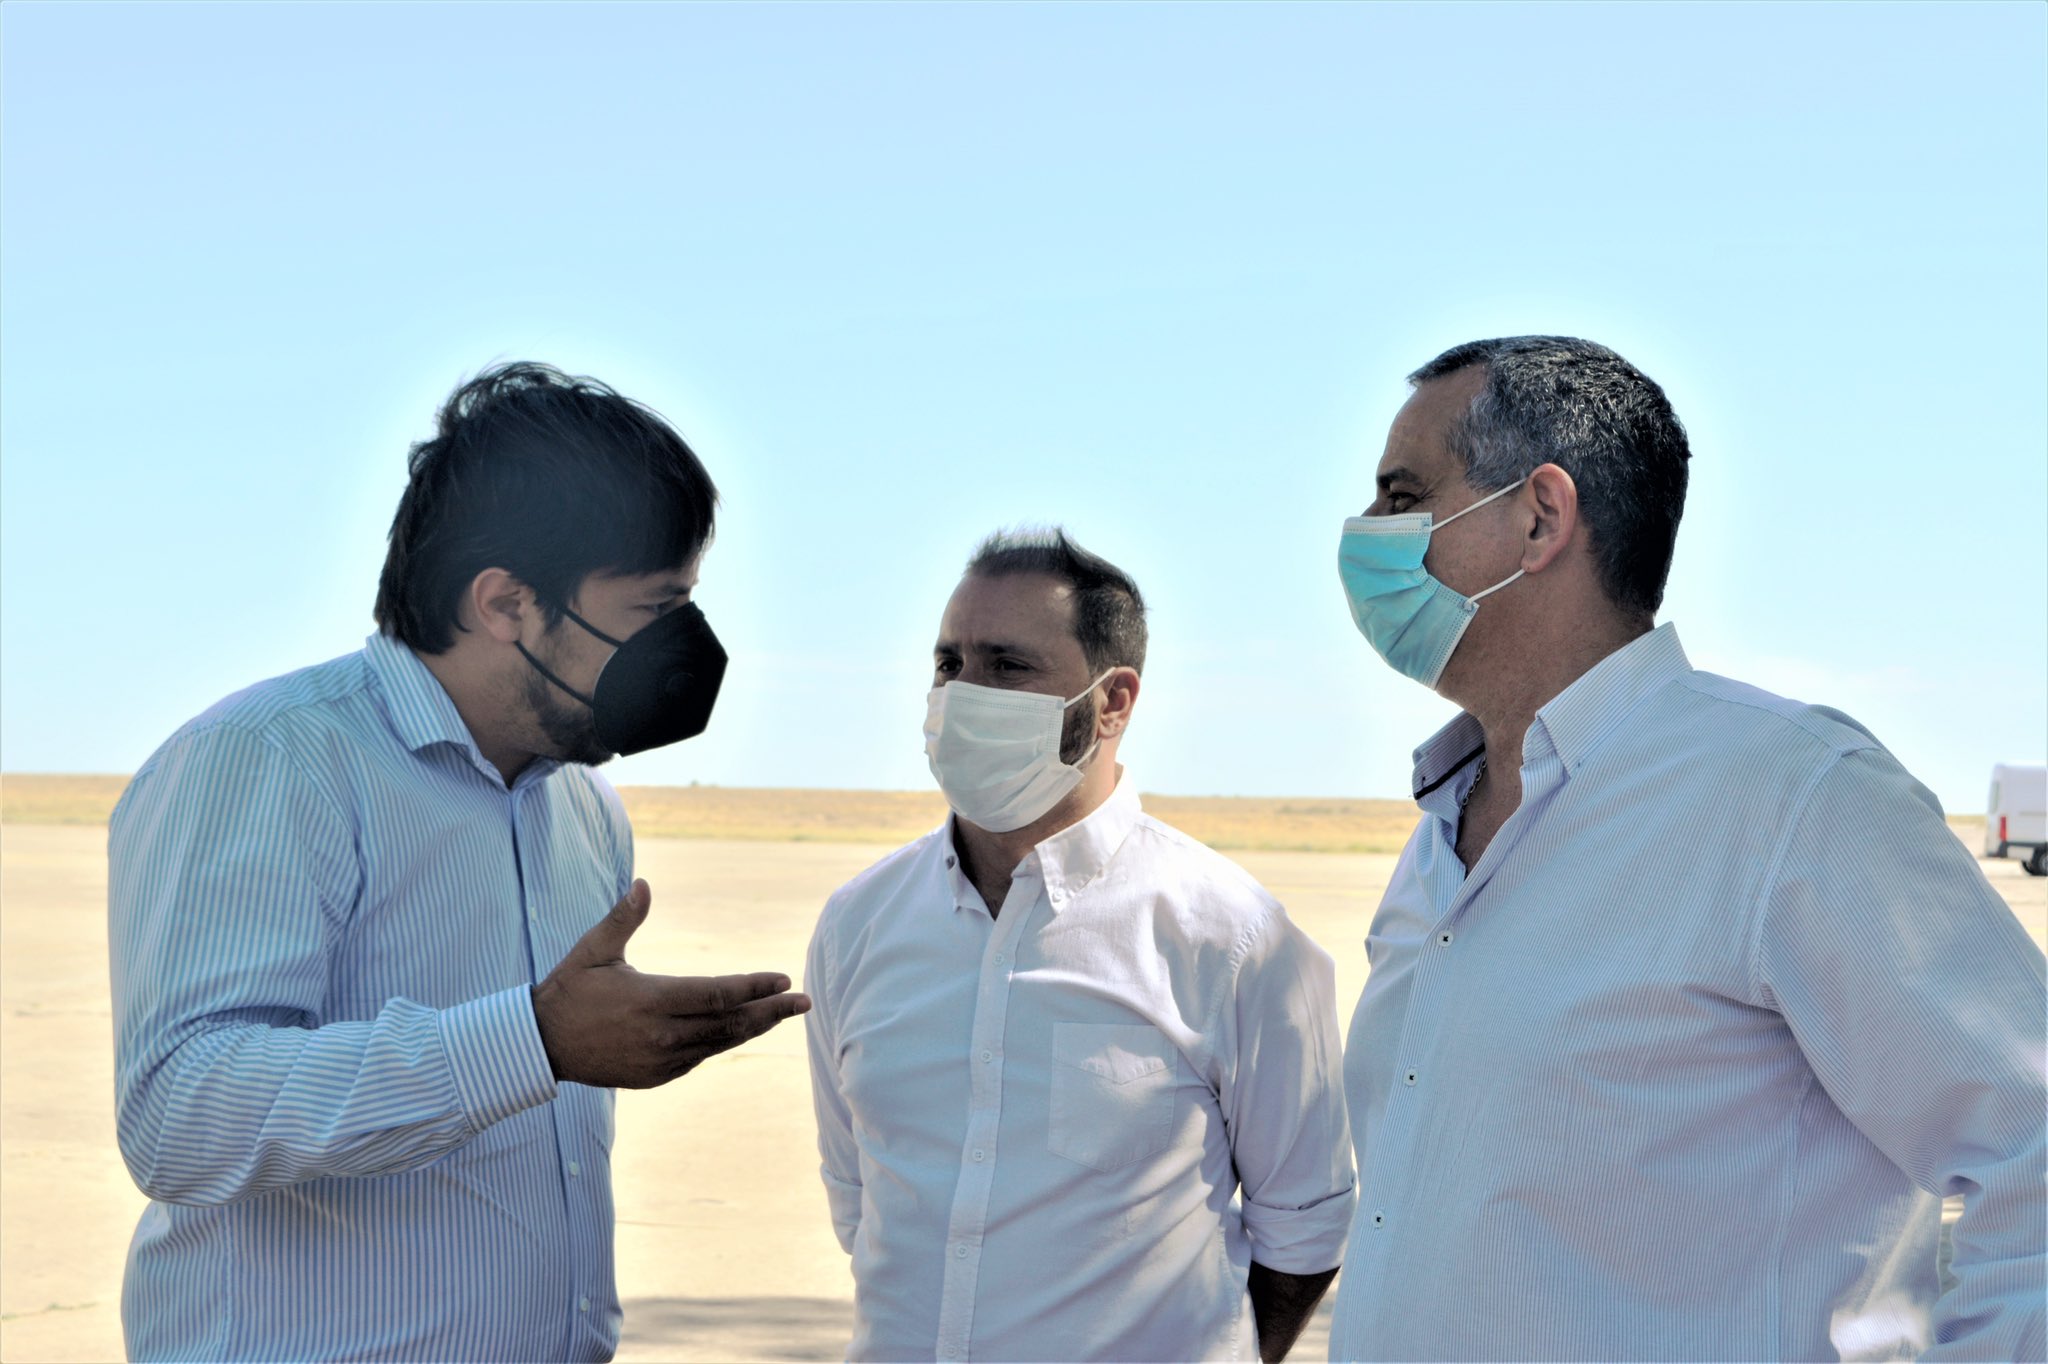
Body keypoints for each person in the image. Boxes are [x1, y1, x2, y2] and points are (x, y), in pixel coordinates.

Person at [1326, 336, 2046, 1362]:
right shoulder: (1442, 830)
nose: (1367, 531)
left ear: (1539, 516)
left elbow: (2031, 1150)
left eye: (1402, 495)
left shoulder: (1794, 795)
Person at [108, 362, 810, 1362]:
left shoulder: (583, 808)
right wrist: (532, 1039)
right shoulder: (270, 760)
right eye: (655, 607)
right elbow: (180, 1114)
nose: (683, 645)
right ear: (505, 602)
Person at [803, 530, 1356, 1363]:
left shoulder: (1231, 937)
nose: (962, 694)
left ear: (1112, 703)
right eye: (949, 664)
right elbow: (861, 1203)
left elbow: (1305, 1226)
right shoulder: (859, 924)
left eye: (1007, 666)